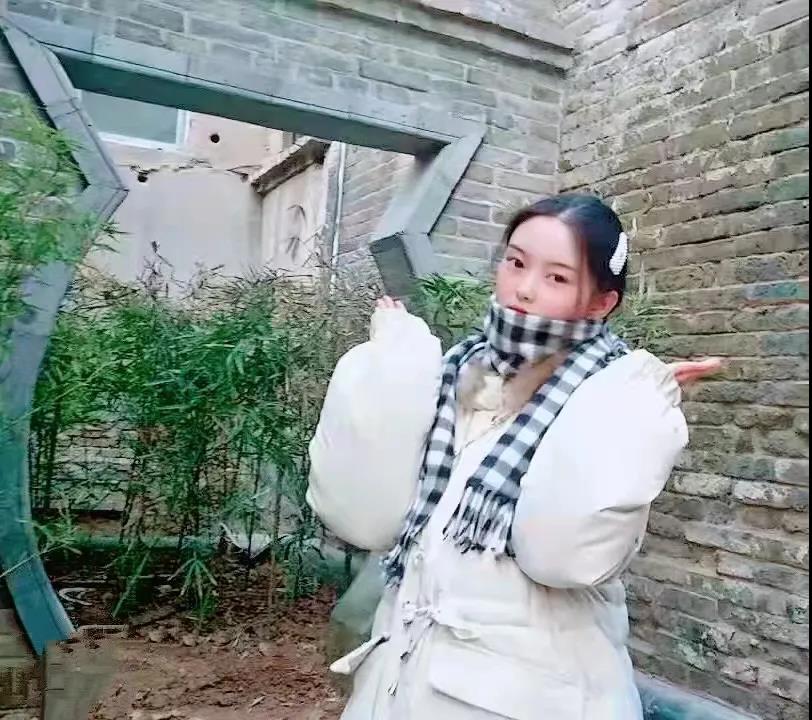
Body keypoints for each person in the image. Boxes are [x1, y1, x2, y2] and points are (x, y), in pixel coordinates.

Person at [307, 194, 721, 720]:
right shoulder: (456, 372)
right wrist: (387, 369)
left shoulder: (607, 398)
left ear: (600, 303)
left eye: (557, 277)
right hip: (401, 682)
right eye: (516, 262)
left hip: (531, 696)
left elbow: (563, 555)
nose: (524, 288)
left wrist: (635, 401)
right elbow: (378, 519)